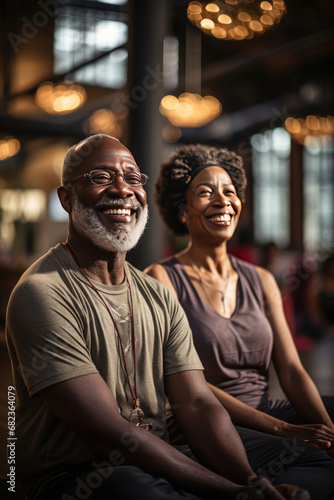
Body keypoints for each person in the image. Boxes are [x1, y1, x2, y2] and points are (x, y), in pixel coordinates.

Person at [5, 134, 308, 500]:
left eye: (133, 178)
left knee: (315, 456)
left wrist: (250, 482)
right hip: (78, 476)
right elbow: (112, 433)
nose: (122, 189)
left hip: (157, 458)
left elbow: (197, 403)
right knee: (134, 488)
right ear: (67, 198)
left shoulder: (157, 295)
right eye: (100, 177)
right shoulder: (42, 292)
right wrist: (232, 492)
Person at [145, 144, 334, 500]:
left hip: (262, 406)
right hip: (205, 420)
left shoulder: (261, 279)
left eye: (229, 192)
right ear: (183, 212)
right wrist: (284, 429)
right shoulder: (161, 278)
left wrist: (326, 429)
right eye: (205, 193)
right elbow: (187, 384)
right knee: (313, 459)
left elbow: (291, 369)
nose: (221, 201)